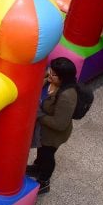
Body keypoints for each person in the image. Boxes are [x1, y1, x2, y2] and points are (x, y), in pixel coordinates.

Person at [27, 57, 79, 195]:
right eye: (50, 70)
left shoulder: (67, 96)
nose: (50, 74)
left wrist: (38, 115)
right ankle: (37, 167)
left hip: (53, 135)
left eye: (54, 74)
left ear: (63, 78)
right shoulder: (52, 80)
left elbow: (59, 124)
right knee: (41, 152)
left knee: (47, 155)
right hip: (44, 130)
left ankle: (44, 181)